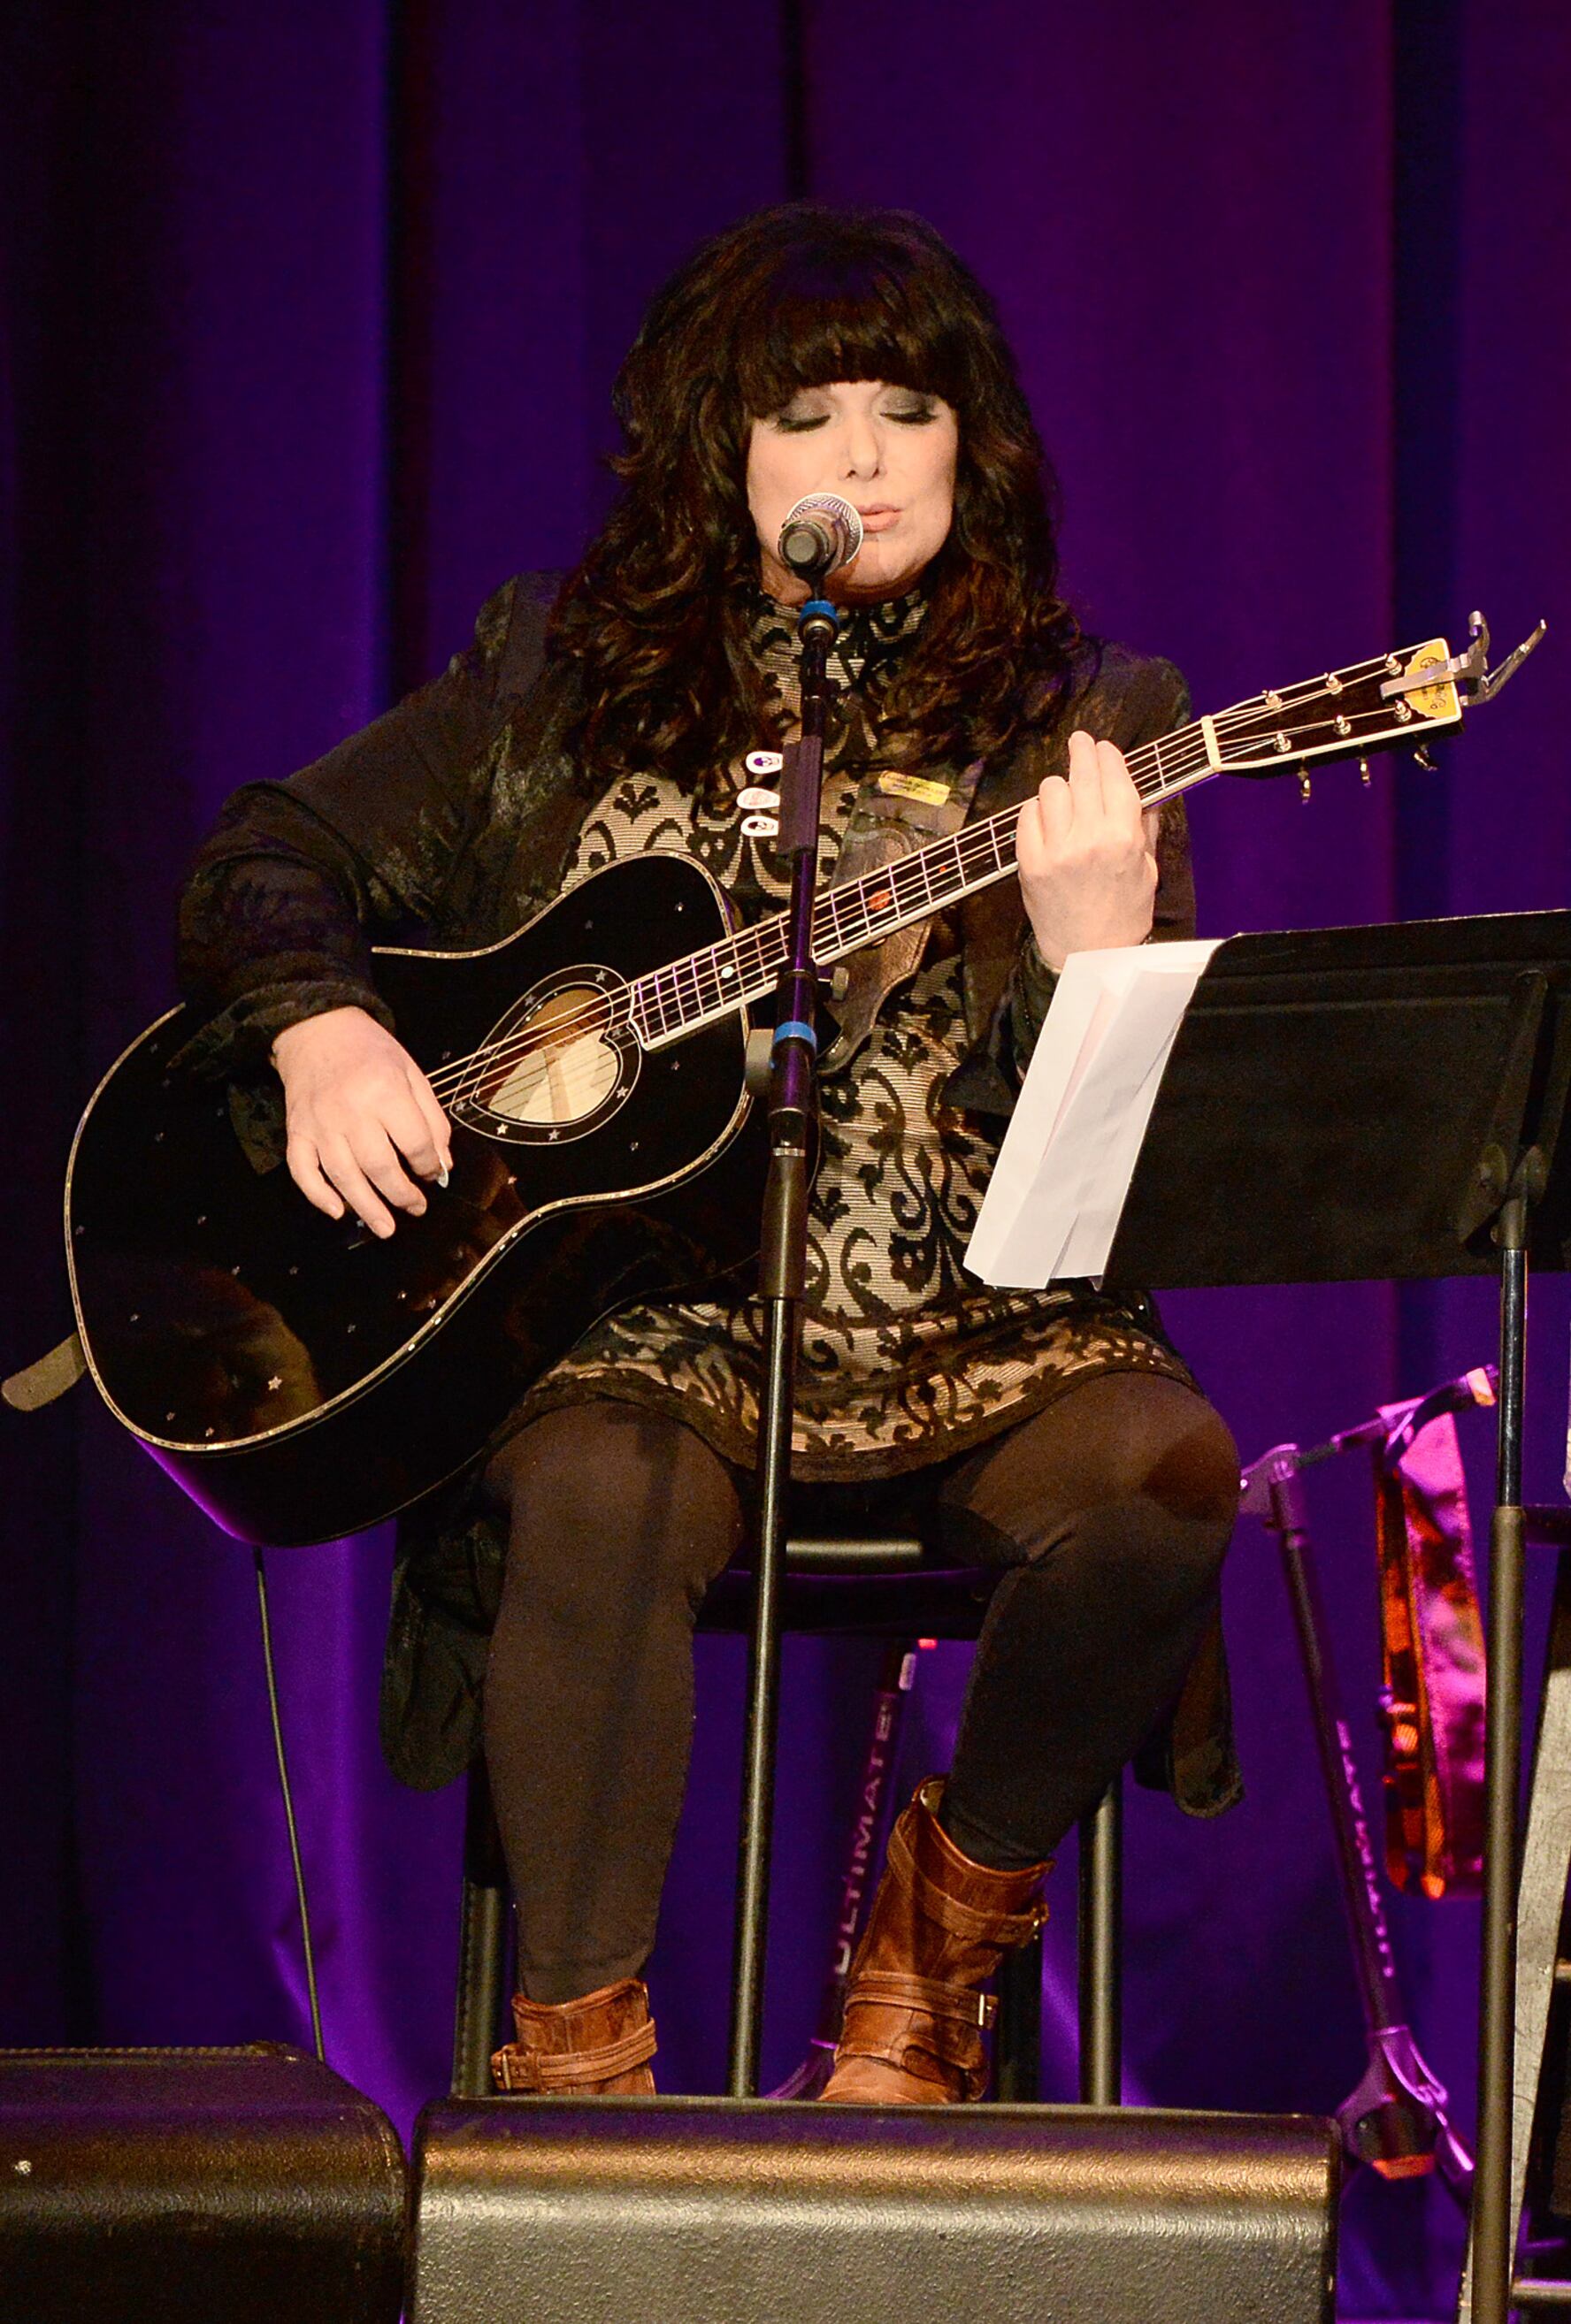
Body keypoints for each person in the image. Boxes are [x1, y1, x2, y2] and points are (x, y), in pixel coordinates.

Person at [175, 204, 1241, 2101]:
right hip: (647, 1314)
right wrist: (324, 1026)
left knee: (1167, 1478)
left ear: (966, 447)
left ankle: (940, 1940)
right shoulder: (564, 686)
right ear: (720, 456)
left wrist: (1095, 973)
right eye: (802, 414)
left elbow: (1148, 1162)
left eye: (900, 412)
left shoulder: (1096, 725)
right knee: (593, 1490)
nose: (854, 458)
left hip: (977, 1316)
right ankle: (578, 2072)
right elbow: (272, 854)